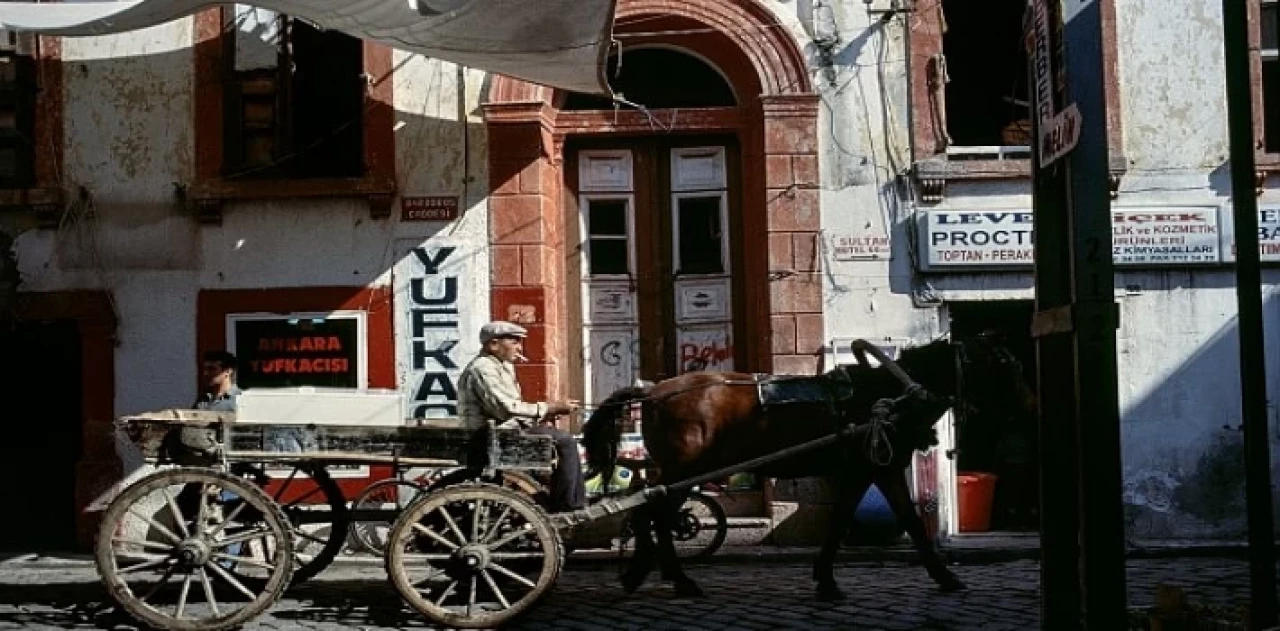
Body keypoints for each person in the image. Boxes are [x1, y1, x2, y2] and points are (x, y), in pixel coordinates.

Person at [456, 321, 585, 512]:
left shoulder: (501, 366)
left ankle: (564, 497)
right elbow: (505, 408)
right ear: (494, 344)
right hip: (492, 435)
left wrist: (544, 414)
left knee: (558, 438)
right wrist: (549, 408)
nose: (519, 347)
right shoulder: (483, 369)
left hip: (502, 430)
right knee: (565, 442)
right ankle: (568, 506)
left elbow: (509, 408)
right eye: (514, 341)